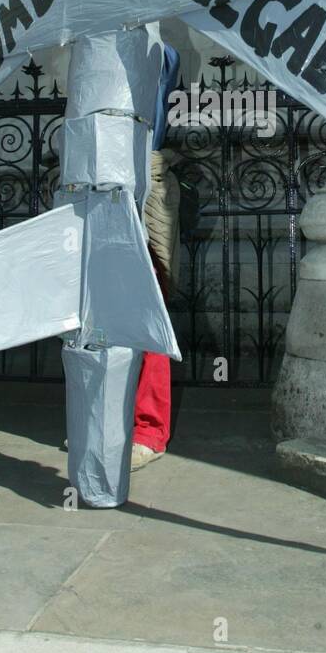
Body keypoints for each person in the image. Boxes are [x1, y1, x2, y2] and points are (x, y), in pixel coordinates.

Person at [131, 42, 180, 470]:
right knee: (104, 324)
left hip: (145, 185)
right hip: (106, 190)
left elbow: (169, 61)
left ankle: (148, 431)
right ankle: (110, 422)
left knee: (150, 319)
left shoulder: (158, 57)